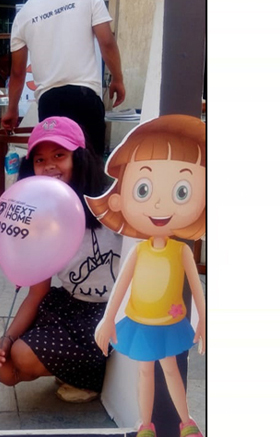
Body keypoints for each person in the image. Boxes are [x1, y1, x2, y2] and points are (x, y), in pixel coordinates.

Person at [0, 117, 122, 402]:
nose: (49, 166)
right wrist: (6, 339)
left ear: (79, 158)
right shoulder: (42, 216)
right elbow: (37, 292)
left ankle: (94, 378)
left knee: (23, 355)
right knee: (5, 369)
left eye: (60, 155)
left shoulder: (113, 205)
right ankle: (74, 369)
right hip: (70, 307)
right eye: (40, 159)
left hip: (110, 312)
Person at [87, 115, 206, 437]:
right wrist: (107, 319)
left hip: (169, 322)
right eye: (143, 189)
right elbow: (121, 286)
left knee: (171, 370)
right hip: (140, 322)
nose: (159, 203)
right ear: (118, 198)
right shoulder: (139, 251)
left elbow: (197, 289)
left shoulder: (181, 251)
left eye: (182, 191)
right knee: (145, 372)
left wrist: (203, 320)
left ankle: (186, 421)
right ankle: (146, 424)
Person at [1, 0, 126, 158]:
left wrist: (12, 110)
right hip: (84, 96)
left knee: (55, 167)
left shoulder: (23, 15)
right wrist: (117, 78)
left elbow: (17, 72)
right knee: (91, 165)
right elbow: (107, 42)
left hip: (49, 102)